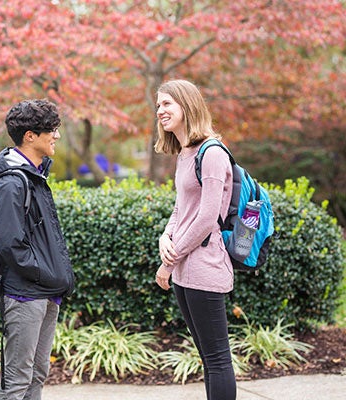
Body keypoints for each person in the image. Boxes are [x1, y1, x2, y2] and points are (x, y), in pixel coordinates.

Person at [154, 79, 236, 400]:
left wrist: (168, 261)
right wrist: (166, 235)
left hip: (205, 266)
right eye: (158, 105)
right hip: (184, 271)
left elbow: (206, 217)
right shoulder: (186, 153)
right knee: (207, 357)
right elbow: (182, 207)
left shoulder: (212, 152)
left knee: (217, 359)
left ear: (187, 106)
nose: (160, 110)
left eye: (167, 104)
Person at [0, 99, 75, 400]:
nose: (57, 136)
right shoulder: (12, 182)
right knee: (17, 380)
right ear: (30, 136)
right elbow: (9, 243)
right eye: (51, 130)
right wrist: (44, 274)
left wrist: (50, 279)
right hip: (25, 293)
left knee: (37, 374)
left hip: (44, 290)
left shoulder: (34, 176)